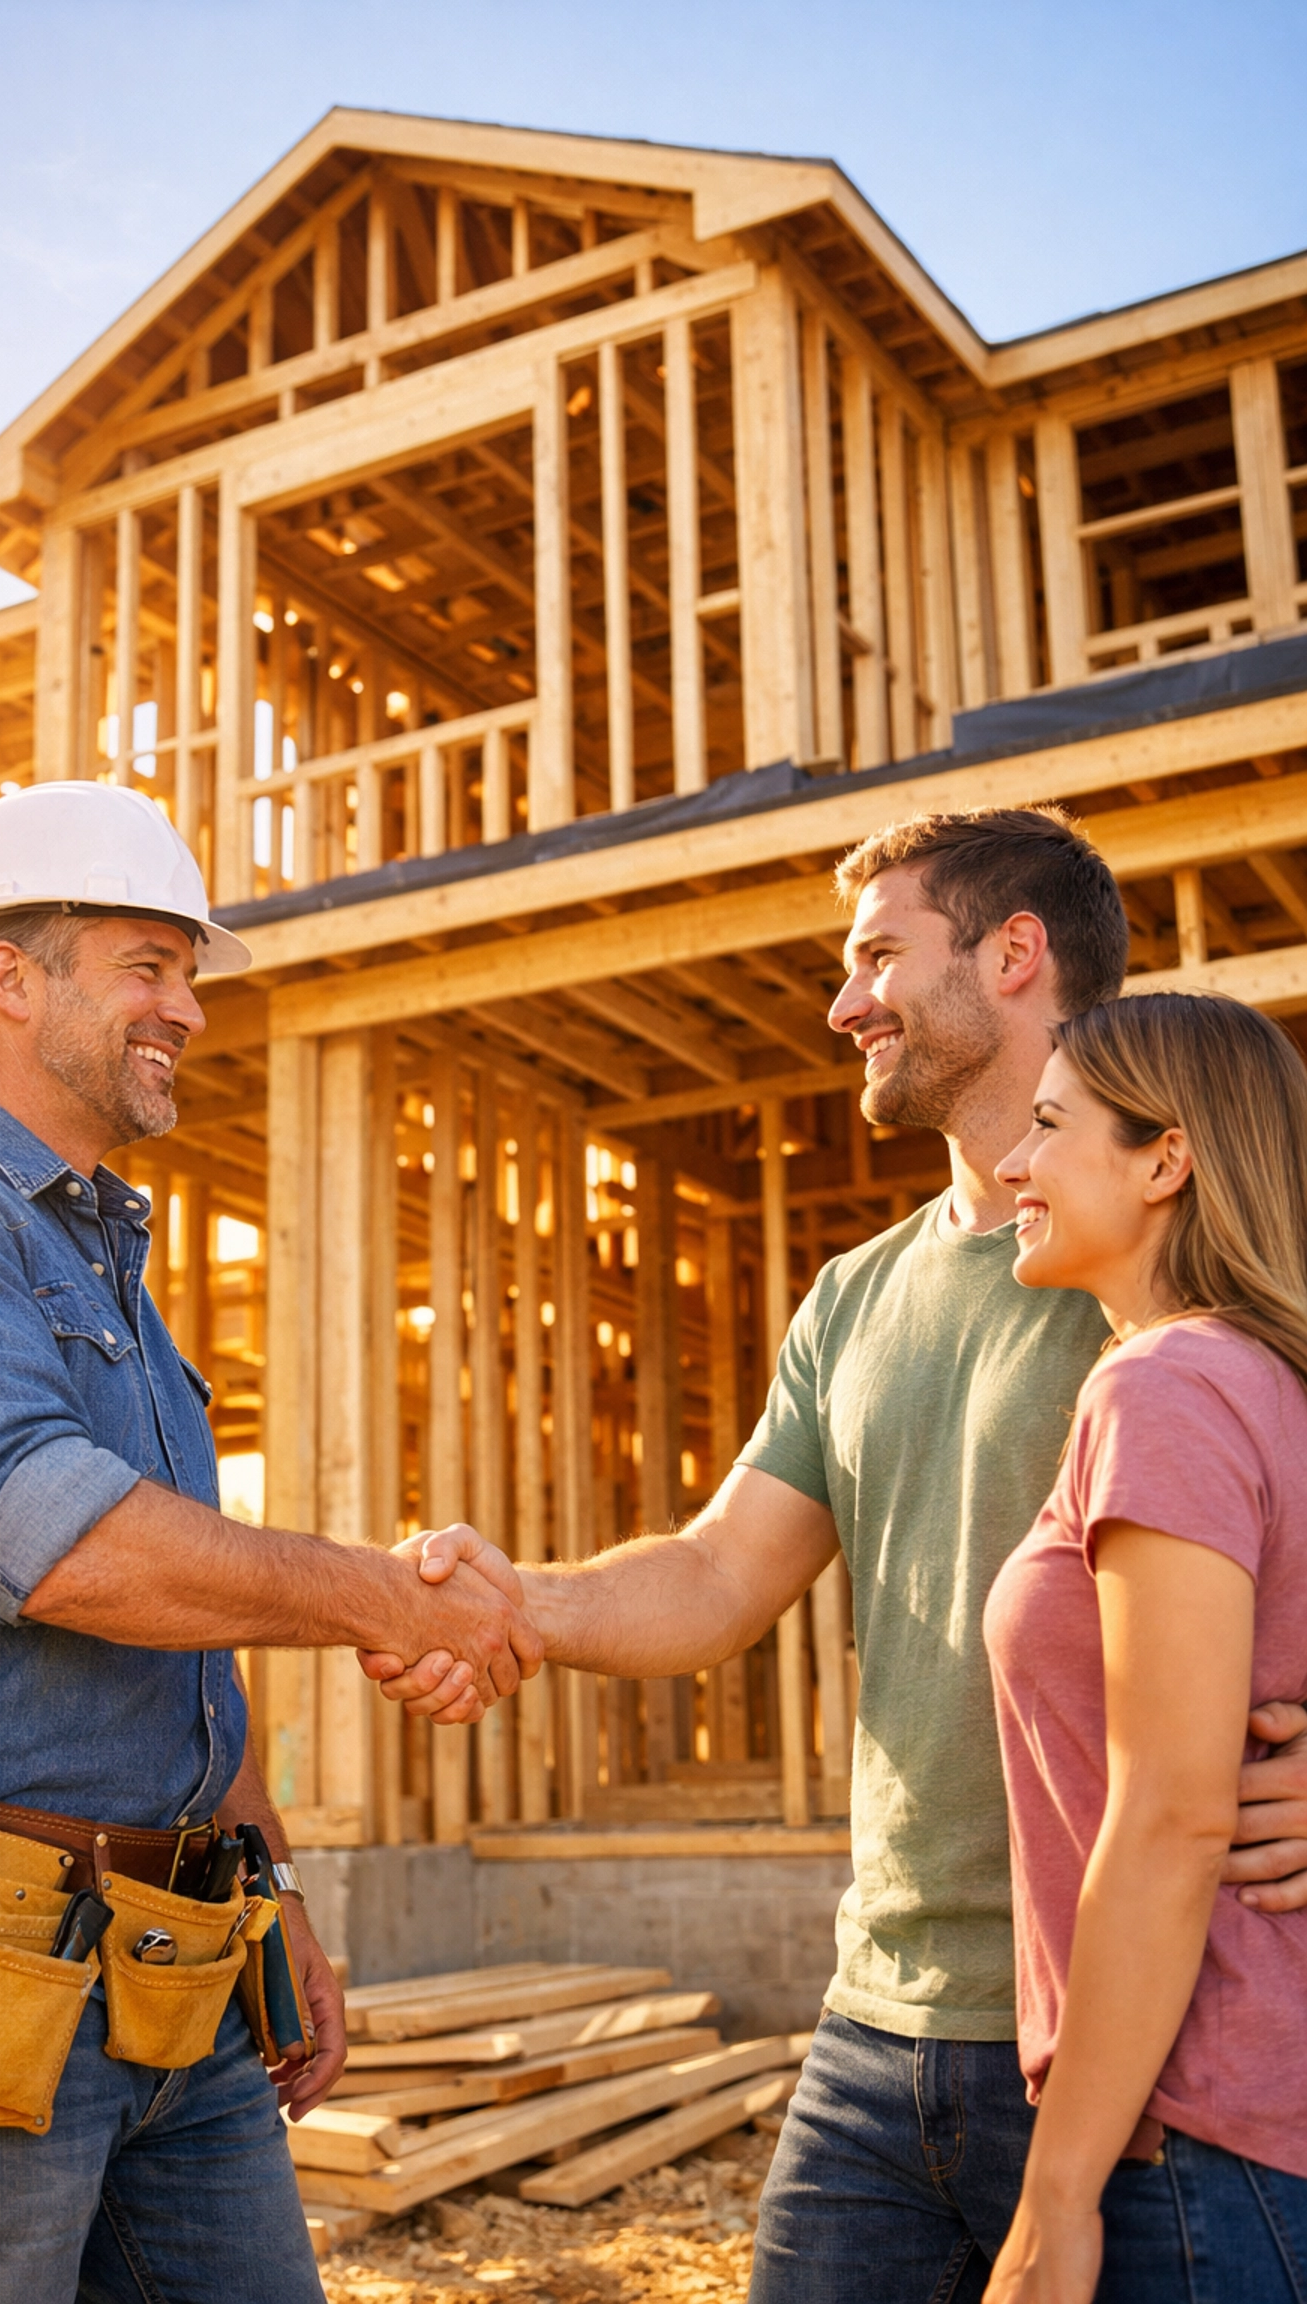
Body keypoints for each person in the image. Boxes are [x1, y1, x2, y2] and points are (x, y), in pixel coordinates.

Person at [361, 807, 1307, 2301]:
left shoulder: (1180, 1274)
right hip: (881, 2022)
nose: (844, 1002)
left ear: (1012, 955)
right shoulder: (859, 1297)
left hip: (1136, 2033)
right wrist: (511, 1603)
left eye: (878, 954)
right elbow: (720, 1575)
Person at [0, 780, 538, 2304]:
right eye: (149, 965)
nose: (188, 1008)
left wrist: (275, 1886)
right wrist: (391, 1596)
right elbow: (66, 1553)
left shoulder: (97, 1256)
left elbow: (179, 1633)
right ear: (11, 977)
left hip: (173, 1965)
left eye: (187, 974)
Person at [983, 992, 1307, 2303]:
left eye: (1051, 1125)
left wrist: (1053, 2202)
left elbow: (1171, 1814)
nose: (1014, 1161)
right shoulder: (1269, 1385)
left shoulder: (1164, 1385)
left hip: (1194, 2154)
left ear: (1165, 1159)